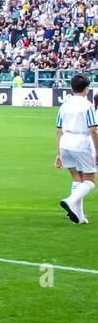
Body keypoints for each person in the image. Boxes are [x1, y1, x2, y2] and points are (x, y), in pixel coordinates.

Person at [56, 74, 97, 225]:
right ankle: (70, 200)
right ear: (86, 89)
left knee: (77, 178)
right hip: (80, 142)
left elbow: (58, 130)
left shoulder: (64, 104)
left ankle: (79, 217)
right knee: (90, 181)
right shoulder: (87, 105)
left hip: (65, 142)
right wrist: (97, 152)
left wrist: (58, 153)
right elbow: (93, 130)